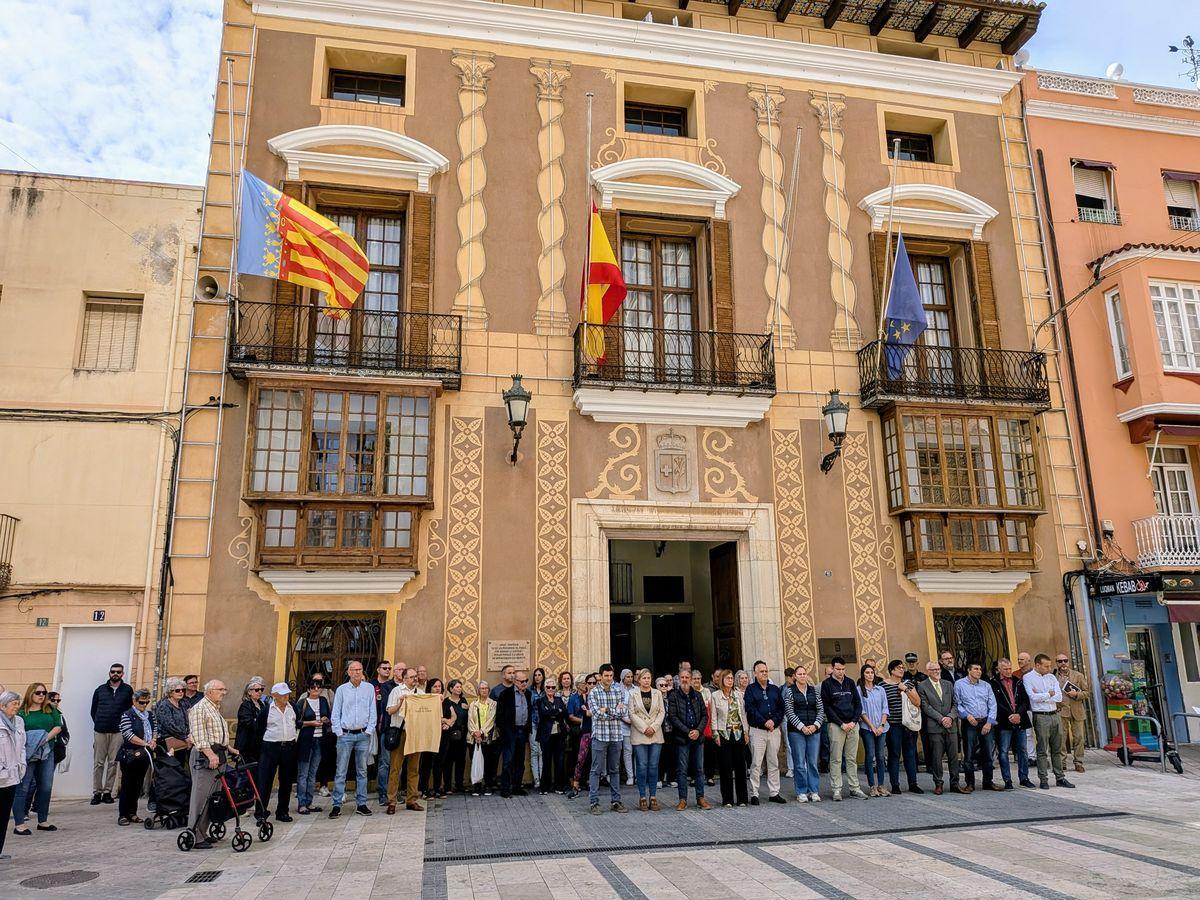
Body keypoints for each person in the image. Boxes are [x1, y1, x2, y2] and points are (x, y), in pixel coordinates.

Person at [186, 679, 235, 849]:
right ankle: (194, 834)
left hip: (217, 754)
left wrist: (229, 748)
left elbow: (216, 734)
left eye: (224, 689)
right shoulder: (200, 708)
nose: (224, 693)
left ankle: (203, 832)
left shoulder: (214, 708)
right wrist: (210, 755)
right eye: (220, 689)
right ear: (209, 691)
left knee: (212, 797)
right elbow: (199, 736)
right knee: (201, 797)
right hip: (205, 757)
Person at [13, 683, 64, 834]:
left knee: (46, 786)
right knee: (23, 787)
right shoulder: (21, 713)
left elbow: (58, 726)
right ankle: (19, 824)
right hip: (27, 754)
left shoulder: (50, 710)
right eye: (38, 693)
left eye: (44, 692)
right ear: (30, 694)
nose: (41, 695)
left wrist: (44, 739)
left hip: (47, 752)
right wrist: (33, 744)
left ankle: (43, 821)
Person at [330, 660, 376, 818]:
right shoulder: (342, 690)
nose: (357, 672)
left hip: (363, 735)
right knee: (341, 771)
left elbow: (372, 710)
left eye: (359, 669)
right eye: (353, 670)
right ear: (348, 672)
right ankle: (336, 804)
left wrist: (369, 730)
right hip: (345, 734)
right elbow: (336, 712)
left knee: (362, 771)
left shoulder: (369, 688)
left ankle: (361, 804)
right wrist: (338, 732)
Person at [1023, 653, 1074, 790]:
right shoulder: (1028, 678)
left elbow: (1058, 697)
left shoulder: (1051, 677)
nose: (1049, 668)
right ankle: (1043, 779)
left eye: (1050, 666)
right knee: (1042, 749)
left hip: (1055, 714)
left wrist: (1044, 696)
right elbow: (1033, 697)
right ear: (1037, 665)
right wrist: (1048, 694)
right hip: (1041, 716)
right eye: (1046, 666)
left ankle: (1060, 777)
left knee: (1057, 748)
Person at [820, 657, 866, 801]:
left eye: (843, 669)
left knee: (852, 759)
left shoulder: (850, 682)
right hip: (836, 726)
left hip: (852, 725)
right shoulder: (826, 684)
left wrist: (853, 721)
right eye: (838, 669)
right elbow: (827, 707)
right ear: (832, 668)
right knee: (836, 759)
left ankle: (854, 788)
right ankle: (836, 790)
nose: (841, 672)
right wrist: (841, 724)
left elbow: (858, 704)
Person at [585, 664, 627, 814]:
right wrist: (614, 710)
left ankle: (616, 801)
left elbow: (623, 712)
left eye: (611, 675)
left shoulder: (619, 690)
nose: (609, 678)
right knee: (596, 770)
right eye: (606, 676)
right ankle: (594, 802)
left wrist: (607, 710)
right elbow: (596, 714)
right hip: (600, 736)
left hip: (616, 735)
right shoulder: (594, 692)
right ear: (600, 676)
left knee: (614, 769)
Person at [254, 683, 299, 822]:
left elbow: (297, 724)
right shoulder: (267, 710)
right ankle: (261, 812)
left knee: (286, 781)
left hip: (288, 747)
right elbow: (259, 729)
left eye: (287, 694)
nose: (286, 696)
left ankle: (282, 811)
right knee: (265, 780)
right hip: (270, 747)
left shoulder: (293, 708)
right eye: (282, 694)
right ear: (274, 695)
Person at [667, 669, 711, 810]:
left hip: (698, 737)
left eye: (687, 677)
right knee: (682, 770)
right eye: (682, 677)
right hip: (682, 738)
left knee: (699, 769)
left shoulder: (697, 695)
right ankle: (682, 799)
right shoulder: (673, 696)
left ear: (691, 679)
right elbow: (673, 717)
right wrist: (688, 732)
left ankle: (700, 798)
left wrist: (698, 731)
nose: (685, 679)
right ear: (679, 679)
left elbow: (705, 715)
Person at [744, 660, 786, 805]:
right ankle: (754, 793)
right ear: (755, 673)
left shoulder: (774, 689)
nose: (764, 673)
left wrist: (773, 721)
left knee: (773, 762)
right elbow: (750, 709)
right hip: (758, 731)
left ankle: (774, 793)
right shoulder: (750, 690)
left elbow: (781, 708)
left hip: (774, 730)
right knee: (756, 763)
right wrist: (764, 722)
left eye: (766, 671)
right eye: (761, 671)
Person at [89, 662, 132, 805]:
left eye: (118, 672)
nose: (115, 674)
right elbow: (93, 710)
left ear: (122, 674)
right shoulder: (100, 690)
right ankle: (97, 792)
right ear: (109, 673)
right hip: (100, 730)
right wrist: (99, 722)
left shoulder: (127, 690)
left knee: (113, 763)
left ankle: (108, 792)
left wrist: (124, 727)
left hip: (118, 732)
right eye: (113, 671)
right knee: (98, 763)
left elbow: (129, 710)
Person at [917, 662, 962, 795]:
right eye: (934, 669)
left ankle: (955, 783)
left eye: (938, 669)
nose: (937, 671)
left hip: (951, 726)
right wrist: (941, 719)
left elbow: (955, 703)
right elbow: (925, 706)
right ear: (928, 671)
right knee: (936, 757)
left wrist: (950, 717)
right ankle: (938, 783)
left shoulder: (948, 684)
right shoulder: (922, 686)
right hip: (935, 726)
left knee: (954, 756)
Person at [954, 663, 998, 793]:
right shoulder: (959, 684)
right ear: (969, 670)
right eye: (976, 669)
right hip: (969, 722)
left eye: (980, 669)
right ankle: (970, 783)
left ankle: (988, 782)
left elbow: (993, 704)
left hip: (985, 721)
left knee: (988, 753)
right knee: (968, 754)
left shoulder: (986, 685)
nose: (979, 671)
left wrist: (989, 722)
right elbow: (957, 703)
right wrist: (967, 716)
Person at [115, 689, 157, 825]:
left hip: (145, 754)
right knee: (127, 784)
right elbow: (128, 734)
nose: (144, 705)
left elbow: (155, 729)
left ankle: (133, 813)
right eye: (141, 702)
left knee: (138, 785)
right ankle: (123, 814)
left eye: (146, 702)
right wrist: (144, 743)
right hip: (130, 753)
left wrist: (153, 740)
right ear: (134, 701)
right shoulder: (127, 715)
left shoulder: (150, 715)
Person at [880, 660, 922, 795]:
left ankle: (913, 783)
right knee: (894, 754)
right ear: (891, 670)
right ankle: (895, 785)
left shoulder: (908, 684)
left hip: (908, 725)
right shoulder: (882, 686)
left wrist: (905, 689)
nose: (902, 669)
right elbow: (882, 706)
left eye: (903, 668)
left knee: (910, 754)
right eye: (899, 667)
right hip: (893, 726)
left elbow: (917, 702)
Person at [991, 658, 1033, 790]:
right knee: (1003, 751)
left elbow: (1025, 701)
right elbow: (996, 703)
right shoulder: (994, 683)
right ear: (999, 669)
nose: (1009, 671)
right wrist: (1010, 715)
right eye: (1005, 669)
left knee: (1023, 750)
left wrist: (1018, 714)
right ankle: (1007, 780)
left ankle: (1024, 778)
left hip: (1020, 720)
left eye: (1010, 668)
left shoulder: (1018, 681)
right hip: (1004, 721)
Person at [783, 665, 823, 803]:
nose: (802, 676)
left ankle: (814, 790)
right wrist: (802, 727)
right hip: (796, 732)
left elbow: (820, 709)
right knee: (799, 763)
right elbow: (789, 712)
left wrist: (815, 725)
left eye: (804, 673)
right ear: (795, 676)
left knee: (812, 762)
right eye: (799, 674)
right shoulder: (790, 692)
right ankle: (801, 791)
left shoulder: (814, 691)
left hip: (814, 730)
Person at [385, 667, 422, 812]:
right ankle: (391, 801)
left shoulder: (420, 693)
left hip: (415, 733)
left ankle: (412, 800)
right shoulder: (397, 691)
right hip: (400, 732)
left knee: (414, 768)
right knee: (395, 768)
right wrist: (400, 703)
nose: (415, 679)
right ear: (405, 678)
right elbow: (390, 711)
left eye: (416, 676)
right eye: (412, 677)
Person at [710, 669, 748, 808]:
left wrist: (746, 732)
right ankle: (727, 799)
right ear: (722, 680)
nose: (730, 681)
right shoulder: (715, 695)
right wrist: (715, 733)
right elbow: (714, 716)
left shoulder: (738, 695)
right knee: (725, 767)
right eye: (727, 678)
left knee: (740, 766)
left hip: (738, 732)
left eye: (732, 678)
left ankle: (742, 799)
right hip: (723, 734)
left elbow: (743, 714)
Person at [628, 668, 664, 810]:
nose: (646, 680)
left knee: (654, 766)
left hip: (655, 733)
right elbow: (631, 713)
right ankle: (642, 796)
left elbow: (661, 712)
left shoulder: (657, 693)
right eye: (644, 678)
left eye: (649, 678)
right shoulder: (633, 694)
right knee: (642, 766)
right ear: (639, 680)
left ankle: (653, 796)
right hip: (640, 734)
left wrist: (653, 727)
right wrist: (644, 728)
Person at [495, 670, 533, 799]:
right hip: (510, 732)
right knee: (508, 761)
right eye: (522, 681)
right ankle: (505, 788)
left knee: (520, 761)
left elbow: (529, 711)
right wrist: (504, 731)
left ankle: (517, 787)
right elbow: (499, 715)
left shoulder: (528, 694)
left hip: (523, 731)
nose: (524, 683)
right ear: (515, 681)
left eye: (526, 681)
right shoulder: (505, 694)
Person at [296, 675, 330, 814]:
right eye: (313, 687)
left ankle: (309, 802)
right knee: (303, 774)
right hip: (305, 741)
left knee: (313, 773)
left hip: (319, 740)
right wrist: (311, 723)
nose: (316, 689)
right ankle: (302, 803)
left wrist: (325, 719)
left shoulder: (323, 701)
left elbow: (328, 717)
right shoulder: (302, 703)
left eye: (318, 687)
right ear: (308, 689)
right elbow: (296, 722)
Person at [1, 691, 27, 860]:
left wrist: (22, 765)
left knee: (4, 817)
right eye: (14, 704)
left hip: (12, 775)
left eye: (18, 703)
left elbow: (22, 745)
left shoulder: (19, 721)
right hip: (1, 774)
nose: (17, 707)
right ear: (2, 706)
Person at [1054, 653, 1089, 775]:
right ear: (1056, 663)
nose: (1063, 663)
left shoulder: (1078, 675)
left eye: (1065, 660)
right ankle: (1062, 763)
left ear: (1068, 662)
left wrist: (1077, 694)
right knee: (1061, 738)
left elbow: (1087, 693)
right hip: (1061, 711)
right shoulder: (1053, 677)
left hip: (1077, 711)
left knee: (1079, 737)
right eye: (1060, 661)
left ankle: (1078, 762)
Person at [419, 678, 454, 798]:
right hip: (429, 735)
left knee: (439, 762)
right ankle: (424, 789)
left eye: (439, 686)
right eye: (435, 686)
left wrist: (448, 723)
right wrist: (443, 720)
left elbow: (453, 716)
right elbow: (426, 717)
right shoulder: (425, 701)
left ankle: (437, 789)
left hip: (443, 736)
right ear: (430, 688)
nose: (438, 688)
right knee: (426, 763)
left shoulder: (446, 701)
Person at [857, 664, 888, 798]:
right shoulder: (859, 690)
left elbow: (885, 708)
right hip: (867, 728)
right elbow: (861, 711)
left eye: (872, 672)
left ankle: (881, 784)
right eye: (867, 672)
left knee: (880, 756)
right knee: (870, 755)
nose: (870, 675)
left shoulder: (880, 689)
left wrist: (881, 725)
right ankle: (872, 785)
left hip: (882, 727)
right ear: (863, 674)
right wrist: (872, 727)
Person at [535, 680, 569, 794]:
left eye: (553, 687)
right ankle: (545, 787)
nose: (551, 689)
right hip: (546, 735)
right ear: (545, 688)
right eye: (548, 687)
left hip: (559, 735)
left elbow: (565, 713)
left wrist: (552, 712)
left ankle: (559, 786)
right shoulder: (540, 700)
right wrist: (557, 711)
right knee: (546, 761)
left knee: (559, 761)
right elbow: (543, 714)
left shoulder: (559, 700)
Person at [370, 661, 395, 808]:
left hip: (386, 728)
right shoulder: (371, 685)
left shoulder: (392, 686)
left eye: (389, 668)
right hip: (373, 727)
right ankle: (378, 791)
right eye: (384, 668)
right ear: (378, 669)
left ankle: (386, 791)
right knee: (370, 760)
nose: (387, 670)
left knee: (385, 761)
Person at [467, 680, 498, 797]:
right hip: (474, 738)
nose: (484, 690)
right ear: (478, 691)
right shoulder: (473, 704)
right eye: (481, 688)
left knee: (489, 762)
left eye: (486, 688)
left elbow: (491, 720)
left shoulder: (493, 704)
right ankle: (477, 785)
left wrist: (481, 732)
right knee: (475, 761)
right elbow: (470, 720)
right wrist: (475, 733)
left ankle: (488, 785)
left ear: (489, 690)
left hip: (488, 737)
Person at [567, 674, 595, 798]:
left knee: (592, 758)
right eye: (587, 683)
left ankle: (589, 781)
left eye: (593, 683)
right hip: (581, 731)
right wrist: (583, 719)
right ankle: (575, 784)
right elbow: (571, 715)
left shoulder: (593, 697)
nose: (590, 685)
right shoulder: (575, 698)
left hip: (594, 730)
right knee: (580, 757)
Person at [440, 680, 470, 796]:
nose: (459, 689)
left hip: (462, 734)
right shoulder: (446, 702)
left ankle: (459, 785)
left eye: (460, 687)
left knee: (461, 760)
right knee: (448, 760)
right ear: (451, 689)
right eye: (457, 687)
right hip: (450, 735)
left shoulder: (463, 701)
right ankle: (447, 786)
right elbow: (442, 717)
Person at [154, 678, 192, 764]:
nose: (181, 692)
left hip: (181, 742)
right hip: (168, 742)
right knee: (169, 768)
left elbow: (187, 721)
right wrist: (185, 737)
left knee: (180, 765)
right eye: (177, 690)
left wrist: (188, 734)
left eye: (183, 690)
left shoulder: (182, 704)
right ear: (170, 692)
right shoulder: (164, 705)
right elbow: (170, 726)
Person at [234, 677, 266, 763]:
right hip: (247, 745)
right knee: (247, 769)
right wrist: (261, 722)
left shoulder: (262, 705)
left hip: (259, 744)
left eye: (262, 689)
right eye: (257, 690)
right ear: (249, 692)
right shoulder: (245, 706)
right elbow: (249, 723)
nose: (260, 692)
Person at [529, 668, 547, 791]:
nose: (537, 677)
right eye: (535, 675)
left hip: (544, 724)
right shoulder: (530, 690)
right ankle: (536, 779)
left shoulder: (547, 690)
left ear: (543, 676)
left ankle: (542, 777)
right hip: (533, 723)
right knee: (534, 751)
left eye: (539, 675)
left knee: (542, 751)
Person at [655, 676, 675, 788]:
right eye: (661, 685)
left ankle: (671, 778)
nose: (664, 687)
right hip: (659, 730)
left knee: (671, 755)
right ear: (656, 687)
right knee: (660, 756)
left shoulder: (672, 698)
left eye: (665, 685)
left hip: (671, 730)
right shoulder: (655, 698)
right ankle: (659, 778)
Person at [618, 669, 635, 786]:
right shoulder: (617, 689)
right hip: (621, 725)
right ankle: (626, 776)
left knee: (632, 751)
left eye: (631, 676)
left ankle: (633, 776)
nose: (630, 679)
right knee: (621, 751)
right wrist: (624, 718)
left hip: (634, 724)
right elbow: (617, 706)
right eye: (627, 677)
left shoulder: (636, 689)